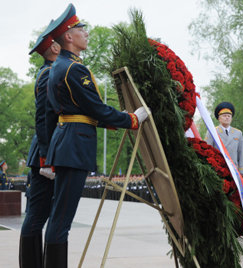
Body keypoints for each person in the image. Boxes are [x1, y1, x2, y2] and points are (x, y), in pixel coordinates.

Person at [41, 4, 149, 267]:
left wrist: (111, 120)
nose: (86, 33)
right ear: (68, 36)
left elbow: (82, 111)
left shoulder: (61, 66)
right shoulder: (72, 69)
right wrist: (132, 119)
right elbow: (95, 108)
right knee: (62, 219)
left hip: (68, 142)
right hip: (74, 146)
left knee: (59, 217)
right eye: (81, 29)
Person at [19, 21, 61, 267]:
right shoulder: (48, 73)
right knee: (37, 215)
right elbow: (43, 117)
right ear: (54, 48)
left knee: (39, 214)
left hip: (46, 152)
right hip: (44, 155)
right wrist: (46, 157)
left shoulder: (50, 71)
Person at [205, 102, 243, 175]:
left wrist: (241, 171)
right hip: (218, 169)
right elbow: (207, 150)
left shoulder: (238, 133)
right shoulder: (213, 132)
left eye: (229, 116)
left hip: (233, 170)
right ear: (219, 118)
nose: (227, 118)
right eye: (224, 116)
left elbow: (240, 153)